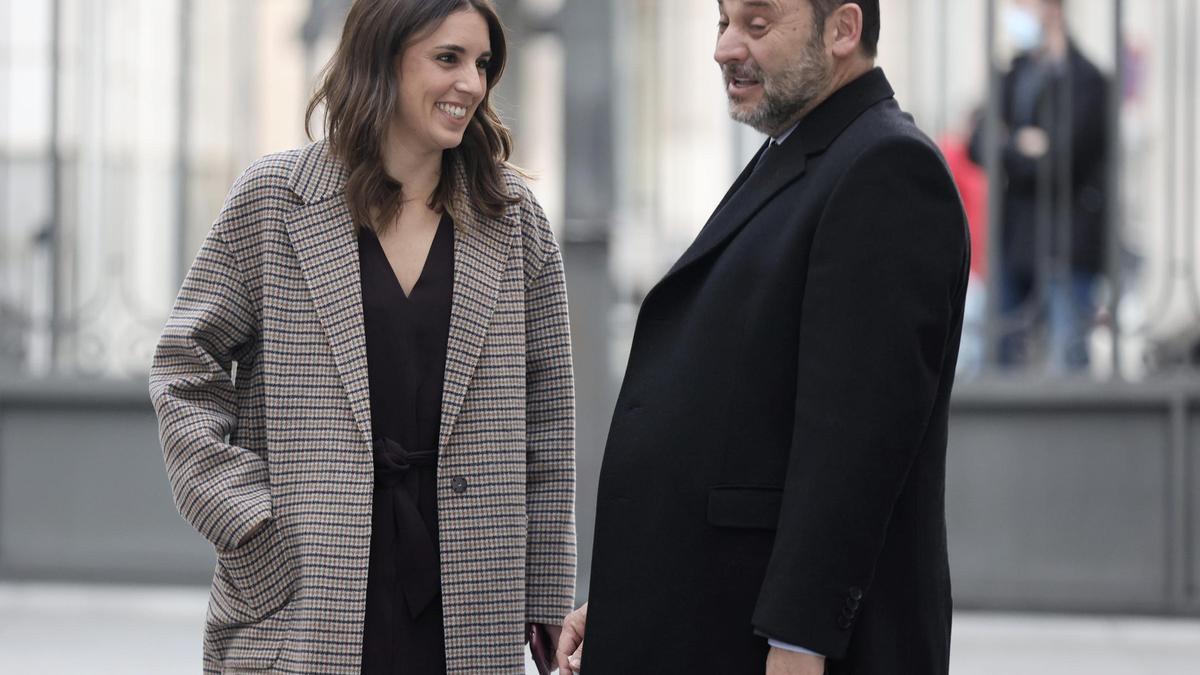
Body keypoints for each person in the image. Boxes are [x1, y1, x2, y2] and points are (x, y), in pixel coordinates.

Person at [148, 0, 576, 672]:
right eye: (448, 58)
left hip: (467, 592)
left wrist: (546, 585)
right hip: (308, 588)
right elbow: (183, 369)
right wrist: (250, 523)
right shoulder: (273, 199)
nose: (472, 82)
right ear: (383, 55)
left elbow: (547, 419)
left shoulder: (513, 220)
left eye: (483, 63)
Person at [557, 1, 968, 673]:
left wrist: (799, 642)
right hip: (715, 623)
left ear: (842, 30)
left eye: (756, 24)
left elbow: (853, 448)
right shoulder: (806, 152)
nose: (724, 47)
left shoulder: (885, 168)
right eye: (722, 22)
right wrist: (632, 604)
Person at [969, 0, 1108, 373]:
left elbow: (1065, 157)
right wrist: (1022, 143)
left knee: (1067, 362)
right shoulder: (1014, 72)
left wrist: (1007, 142)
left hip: (1067, 243)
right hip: (1015, 240)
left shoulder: (1089, 80)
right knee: (998, 362)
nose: (1015, 11)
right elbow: (977, 142)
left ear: (1053, 8)